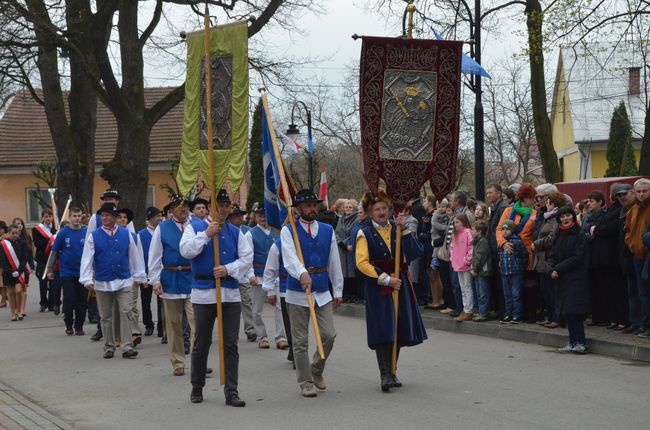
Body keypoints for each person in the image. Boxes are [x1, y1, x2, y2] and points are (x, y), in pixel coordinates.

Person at [180, 188, 251, 407]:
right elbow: (186, 251)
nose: (223, 209)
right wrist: (206, 235)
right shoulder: (195, 227)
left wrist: (228, 269)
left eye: (226, 205)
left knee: (230, 343)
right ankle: (197, 386)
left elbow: (246, 258)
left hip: (229, 293)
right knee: (202, 341)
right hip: (203, 293)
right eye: (219, 205)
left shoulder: (235, 232)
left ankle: (232, 391)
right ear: (212, 206)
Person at [355, 189, 426, 392]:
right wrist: (385, 279)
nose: (381, 212)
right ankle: (385, 374)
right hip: (379, 285)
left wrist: (404, 230)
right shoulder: (364, 233)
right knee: (383, 329)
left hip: (400, 282)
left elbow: (414, 253)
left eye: (384, 208)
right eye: (376, 209)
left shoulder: (397, 228)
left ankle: (393, 370)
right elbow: (361, 263)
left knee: (399, 327)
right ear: (369, 213)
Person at [280, 189, 343, 398]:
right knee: (299, 341)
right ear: (299, 209)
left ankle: (316, 370)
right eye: (307, 206)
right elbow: (289, 257)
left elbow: (334, 260)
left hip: (322, 290)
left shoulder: (327, 230)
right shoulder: (289, 231)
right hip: (298, 291)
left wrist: (339, 288)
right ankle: (305, 381)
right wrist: (301, 272)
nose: (312, 209)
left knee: (329, 335)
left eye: (314, 205)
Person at [79, 203, 146, 359]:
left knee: (126, 311)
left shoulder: (126, 234)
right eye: (102, 215)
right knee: (106, 316)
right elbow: (87, 259)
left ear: (115, 217)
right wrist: (87, 278)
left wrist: (138, 276)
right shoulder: (94, 236)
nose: (104, 217)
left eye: (107, 215)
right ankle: (109, 346)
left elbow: (134, 256)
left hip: (124, 280)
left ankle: (127, 345)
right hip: (103, 281)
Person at [149, 196, 195, 376]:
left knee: (197, 323)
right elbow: (155, 255)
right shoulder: (162, 228)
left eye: (185, 207)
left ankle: (199, 360)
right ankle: (178, 362)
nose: (183, 209)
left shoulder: (196, 225)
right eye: (178, 206)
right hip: (170, 279)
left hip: (193, 278)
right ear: (172, 210)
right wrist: (155, 280)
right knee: (174, 324)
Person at [245, 206, 288, 350]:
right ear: (255, 217)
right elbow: (247, 257)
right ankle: (262, 336)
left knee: (279, 307)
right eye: (259, 216)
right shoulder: (251, 234)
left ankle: (281, 337)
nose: (263, 218)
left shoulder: (278, 233)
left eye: (265, 215)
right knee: (257, 309)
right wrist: (250, 275)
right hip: (258, 275)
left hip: (276, 276)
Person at [548, 207, 590, 354]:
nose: (565, 219)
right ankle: (572, 341)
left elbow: (578, 258)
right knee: (566, 311)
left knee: (575, 311)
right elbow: (552, 254)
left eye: (568, 216)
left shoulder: (580, 235)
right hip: (561, 278)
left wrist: (558, 268)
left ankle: (580, 342)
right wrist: (551, 268)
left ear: (573, 217)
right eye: (563, 216)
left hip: (576, 278)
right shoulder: (558, 236)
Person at [496, 183, 538, 322]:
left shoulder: (534, 213)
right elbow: (499, 229)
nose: (534, 200)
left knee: (526, 288)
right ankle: (510, 313)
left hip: (526, 255)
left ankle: (524, 314)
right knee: (509, 289)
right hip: (508, 254)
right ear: (525, 198)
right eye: (532, 197)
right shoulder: (509, 211)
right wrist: (503, 243)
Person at [47, 207, 87, 335]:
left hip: (82, 273)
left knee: (82, 300)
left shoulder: (86, 232)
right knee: (69, 299)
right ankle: (69, 324)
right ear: (70, 217)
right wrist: (49, 269)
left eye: (79, 216)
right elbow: (54, 252)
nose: (77, 218)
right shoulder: (63, 233)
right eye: (74, 216)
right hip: (67, 272)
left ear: (82, 217)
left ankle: (79, 326)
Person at [532, 192, 564, 328]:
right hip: (541, 259)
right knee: (545, 290)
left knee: (553, 291)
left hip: (549, 258)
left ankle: (556, 317)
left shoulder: (556, 218)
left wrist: (537, 243)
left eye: (549, 202)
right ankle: (549, 315)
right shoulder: (546, 218)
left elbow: (552, 237)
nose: (546, 204)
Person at [262, 237, 295, 366]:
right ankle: (294, 349)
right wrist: (270, 291)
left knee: (301, 324)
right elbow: (270, 269)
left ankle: (297, 349)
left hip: (305, 288)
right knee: (289, 322)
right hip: (285, 288)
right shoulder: (279, 244)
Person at [624, 178, 650, 338]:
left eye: (645, 191)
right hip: (637, 256)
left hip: (648, 255)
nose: (641, 194)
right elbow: (627, 229)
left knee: (646, 293)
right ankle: (643, 324)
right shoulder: (632, 209)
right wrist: (631, 242)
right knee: (642, 293)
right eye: (639, 191)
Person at [227, 204, 256, 342]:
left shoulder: (248, 231)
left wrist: (251, 274)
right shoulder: (226, 231)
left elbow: (249, 256)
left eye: (241, 215)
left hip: (244, 273)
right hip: (229, 273)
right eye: (236, 215)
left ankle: (250, 329)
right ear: (230, 218)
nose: (240, 217)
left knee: (247, 301)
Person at [117, 208, 144, 346]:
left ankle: (134, 332)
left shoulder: (134, 236)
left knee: (131, 305)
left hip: (131, 277)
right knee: (119, 308)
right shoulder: (111, 236)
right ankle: (119, 335)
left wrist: (139, 277)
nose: (122, 219)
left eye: (125, 218)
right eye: (120, 217)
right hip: (116, 277)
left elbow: (138, 257)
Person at [498, 220, 529, 324]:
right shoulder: (501, 243)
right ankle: (509, 313)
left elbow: (524, 255)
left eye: (507, 229)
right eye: (503, 229)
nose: (505, 231)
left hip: (516, 272)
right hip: (504, 272)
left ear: (512, 230)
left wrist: (521, 267)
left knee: (516, 294)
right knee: (507, 294)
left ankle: (517, 315)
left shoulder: (517, 242)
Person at [138, 207, 163, 336]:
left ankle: (161, 326)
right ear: (150, 218)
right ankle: (148, 324)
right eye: (157, 216)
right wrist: (143, 275)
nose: (160, 218)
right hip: (146, 273)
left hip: (161, 273)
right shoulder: (141, 235)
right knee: (145, 301)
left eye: (160, 216)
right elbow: (139, 256)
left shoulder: (163, 231)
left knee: (161, 301)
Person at [486, 184, 509, 319]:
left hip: (499, 249)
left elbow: (502, 229)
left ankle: (503, 310)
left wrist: (499, 249)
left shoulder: (503, 207)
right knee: (495, 282)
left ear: (499, 193)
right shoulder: (495, 207)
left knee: (501, 283)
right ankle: (498, 308)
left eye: (491, 192)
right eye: (487, 193)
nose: (488, 195)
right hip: (493, 249)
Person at [1, 224, 29, 321]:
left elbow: (24, 258)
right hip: (8, 273)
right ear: (8, 233)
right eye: (13, 233)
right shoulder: (3, 244)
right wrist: (10, 271)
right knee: (11, 292)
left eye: (16, 233)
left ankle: (19, 310)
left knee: (18, 291)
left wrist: (19, 270)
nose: (15, 235)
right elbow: (3, 260)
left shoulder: (22, 243)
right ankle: (13, 313)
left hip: (19, 271)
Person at [33, 209, 57, 313]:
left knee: (52, 282)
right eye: (46, 216)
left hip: (53, 258)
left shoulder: (56, 228)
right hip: (42, 258)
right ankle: (43, 302)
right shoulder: (37, 229)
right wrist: (51, 239)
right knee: (43, 281)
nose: (48, 218)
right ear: (42, 218)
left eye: (50, 216)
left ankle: (52, 303)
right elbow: (38, 244)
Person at [336, 199, 359, 302]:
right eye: (346, 207)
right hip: (341, 248)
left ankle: (353, 295)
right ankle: (345, 294)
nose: (348, 209)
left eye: (350, 207)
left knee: (351, 272)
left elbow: (354, 233)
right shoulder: (341, 219)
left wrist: (344, 243)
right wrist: (340, 242)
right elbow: (337, 232)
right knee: (343, 272)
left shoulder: (356, 219)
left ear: (354, 208)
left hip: (350, 248)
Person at [12, 217, 33, 318]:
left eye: (20, 223)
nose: (19, 225)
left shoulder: (26, 237)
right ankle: (17, 308)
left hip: (25, 266)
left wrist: (31, 265)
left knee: (24, 290)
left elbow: (30, 252)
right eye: (17, 224)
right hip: (14, 266)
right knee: (17, 290)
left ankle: (22, 309)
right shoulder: (10, 238)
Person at [470, 220, 491, 321]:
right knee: (478, 292)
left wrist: (474, 268)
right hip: (478, 271)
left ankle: (483, 313)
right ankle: (479, 311)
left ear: (479, 232)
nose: (471, 231)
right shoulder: (477, 241)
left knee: (483, 293)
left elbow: (480, 257)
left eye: (473, 230)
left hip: (482, 271)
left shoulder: (483, 241)